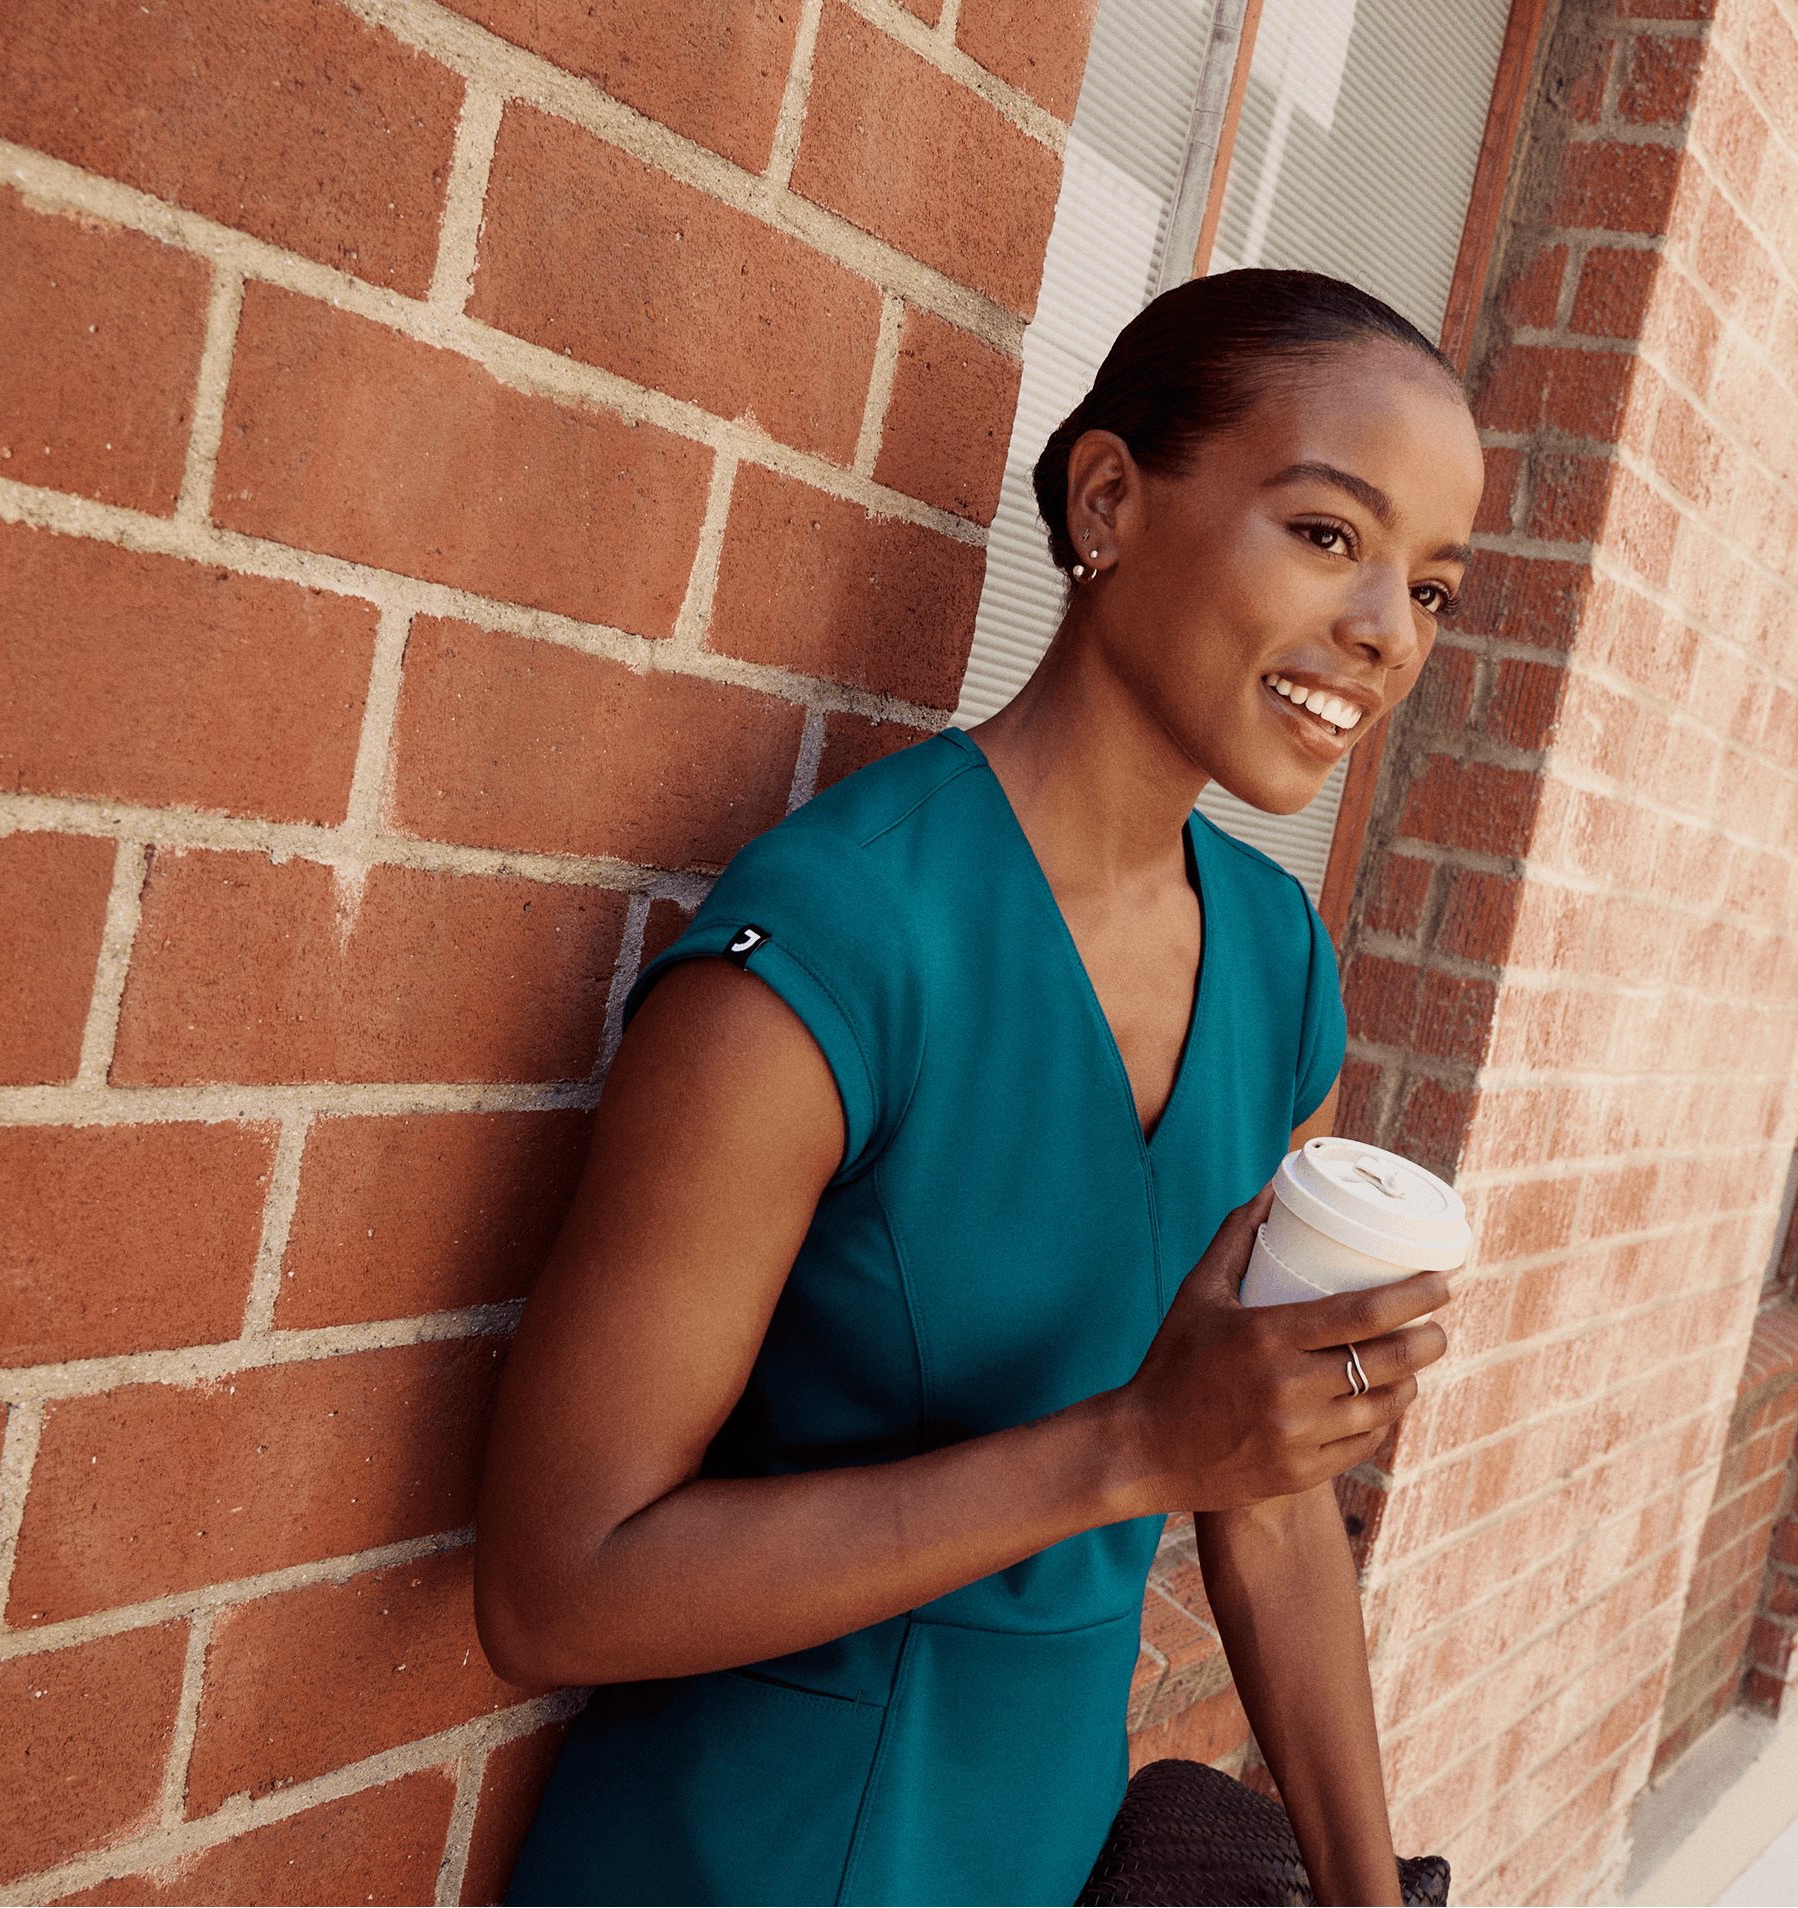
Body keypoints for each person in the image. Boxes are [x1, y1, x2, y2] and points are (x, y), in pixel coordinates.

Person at [477, 269, 1487, 1908]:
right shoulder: (840, 942)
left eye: (1434, 589)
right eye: (1327, 535)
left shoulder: (1278, 965)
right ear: (1109, 500)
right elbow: (555, 1591)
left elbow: (1267, 1503)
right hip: (752, 1856)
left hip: (1034, 1847)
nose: (1386, 631)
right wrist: (1132, 1451)